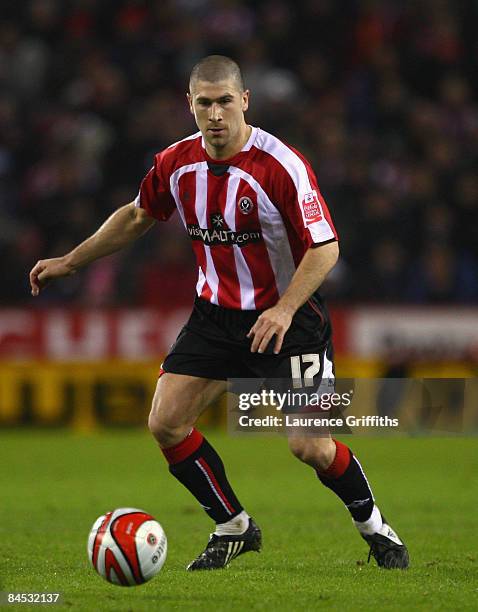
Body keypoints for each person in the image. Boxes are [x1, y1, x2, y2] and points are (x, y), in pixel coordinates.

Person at [29, 55, 409, 571]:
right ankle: (233, 526)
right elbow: (140, 214)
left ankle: (377, 530)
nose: (215, 114)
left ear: (244, 101)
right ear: (189, 104)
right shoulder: (176, 163)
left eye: (225, 101)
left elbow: (325, 248)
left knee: (311, 447)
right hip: (216, 317)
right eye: (204, 102)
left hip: (288, 322)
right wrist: (72, 261)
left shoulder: (280, 166)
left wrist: (283, 308)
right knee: (165, 422)